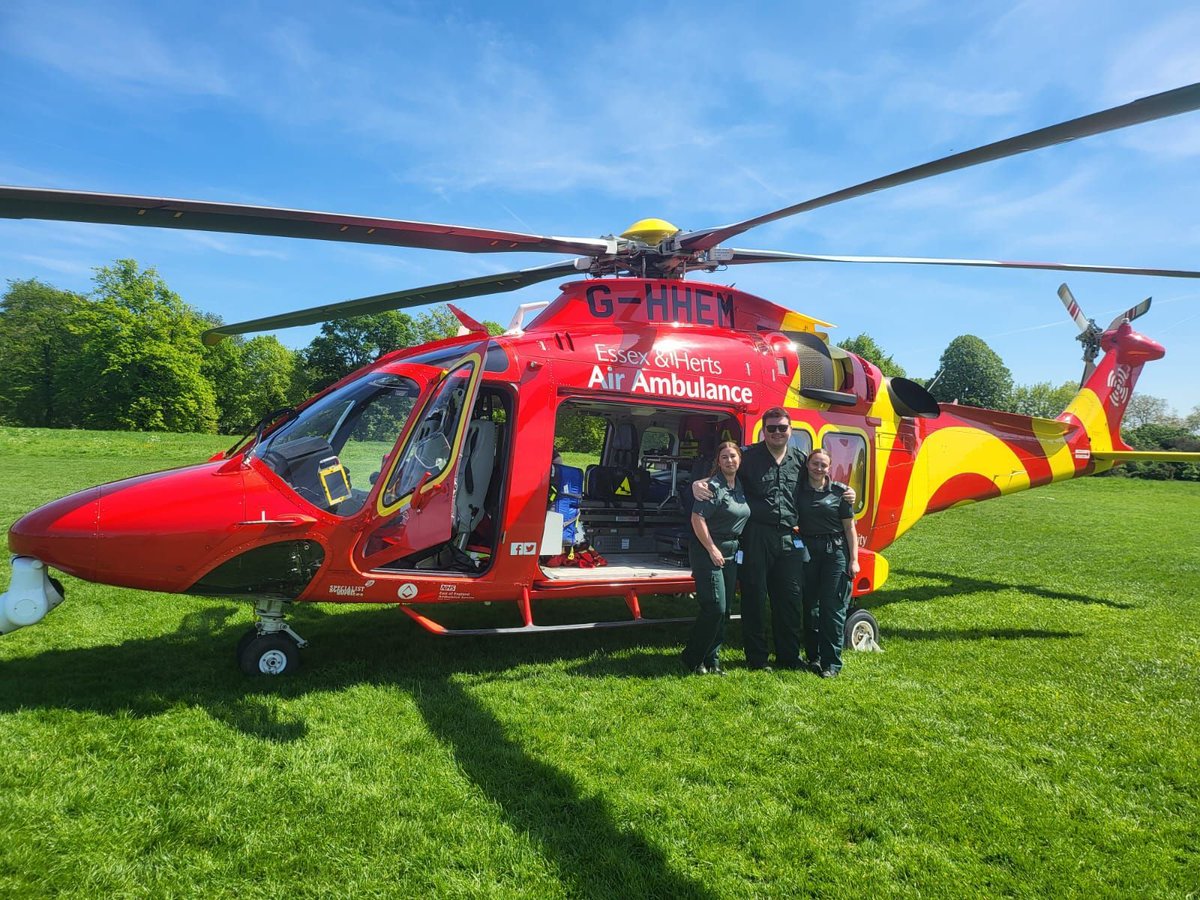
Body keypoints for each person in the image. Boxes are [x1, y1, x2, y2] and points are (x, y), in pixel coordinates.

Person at [692, 409, 854, 670]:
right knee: (754, 597)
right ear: (763, 431)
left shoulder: (801, 460)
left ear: (790, 429)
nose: (777, 432)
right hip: (756, 535)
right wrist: (697, 484)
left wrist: (846, 490)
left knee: (789, 598)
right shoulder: (749, 457)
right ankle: (757, 659)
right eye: (771, 428)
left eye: (782, 427)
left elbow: (821, 479)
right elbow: (723, 471)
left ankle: (789, 657)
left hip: (790, 537)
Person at [682, 442, 749, 676]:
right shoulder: (711, 487)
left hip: (732, 550)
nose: (729, 461)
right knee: (715, 607)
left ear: (740, 459)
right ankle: (694, 658)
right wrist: (711, 549)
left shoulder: (741, 485)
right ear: (718, 462)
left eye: (733, 456)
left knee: (726, 609)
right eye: (724, 457)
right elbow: (697, 518)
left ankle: (713, 659)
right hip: (708, 550)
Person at [797, 448, 859, 678]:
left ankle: (831, 663)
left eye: (823, 465)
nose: (819, 468)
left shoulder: (840, 493)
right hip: (807, 551)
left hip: (835, 552)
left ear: (829, 468)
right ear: (807, 465)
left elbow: (849, 528)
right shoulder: (799, 491)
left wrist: (854, 560)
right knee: (810, 606)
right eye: (815, 464)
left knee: (832, 608)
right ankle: (814, 657)